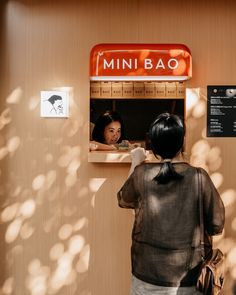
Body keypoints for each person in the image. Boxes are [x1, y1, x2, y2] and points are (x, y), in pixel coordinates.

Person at [117, 113, 225, 295]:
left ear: (152, 144)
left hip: (146, 274)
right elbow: (216, 224)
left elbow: (124, 199)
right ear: (182, 142)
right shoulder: (198, 177)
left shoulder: (142, 174)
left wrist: (136, 162)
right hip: (189, 278)